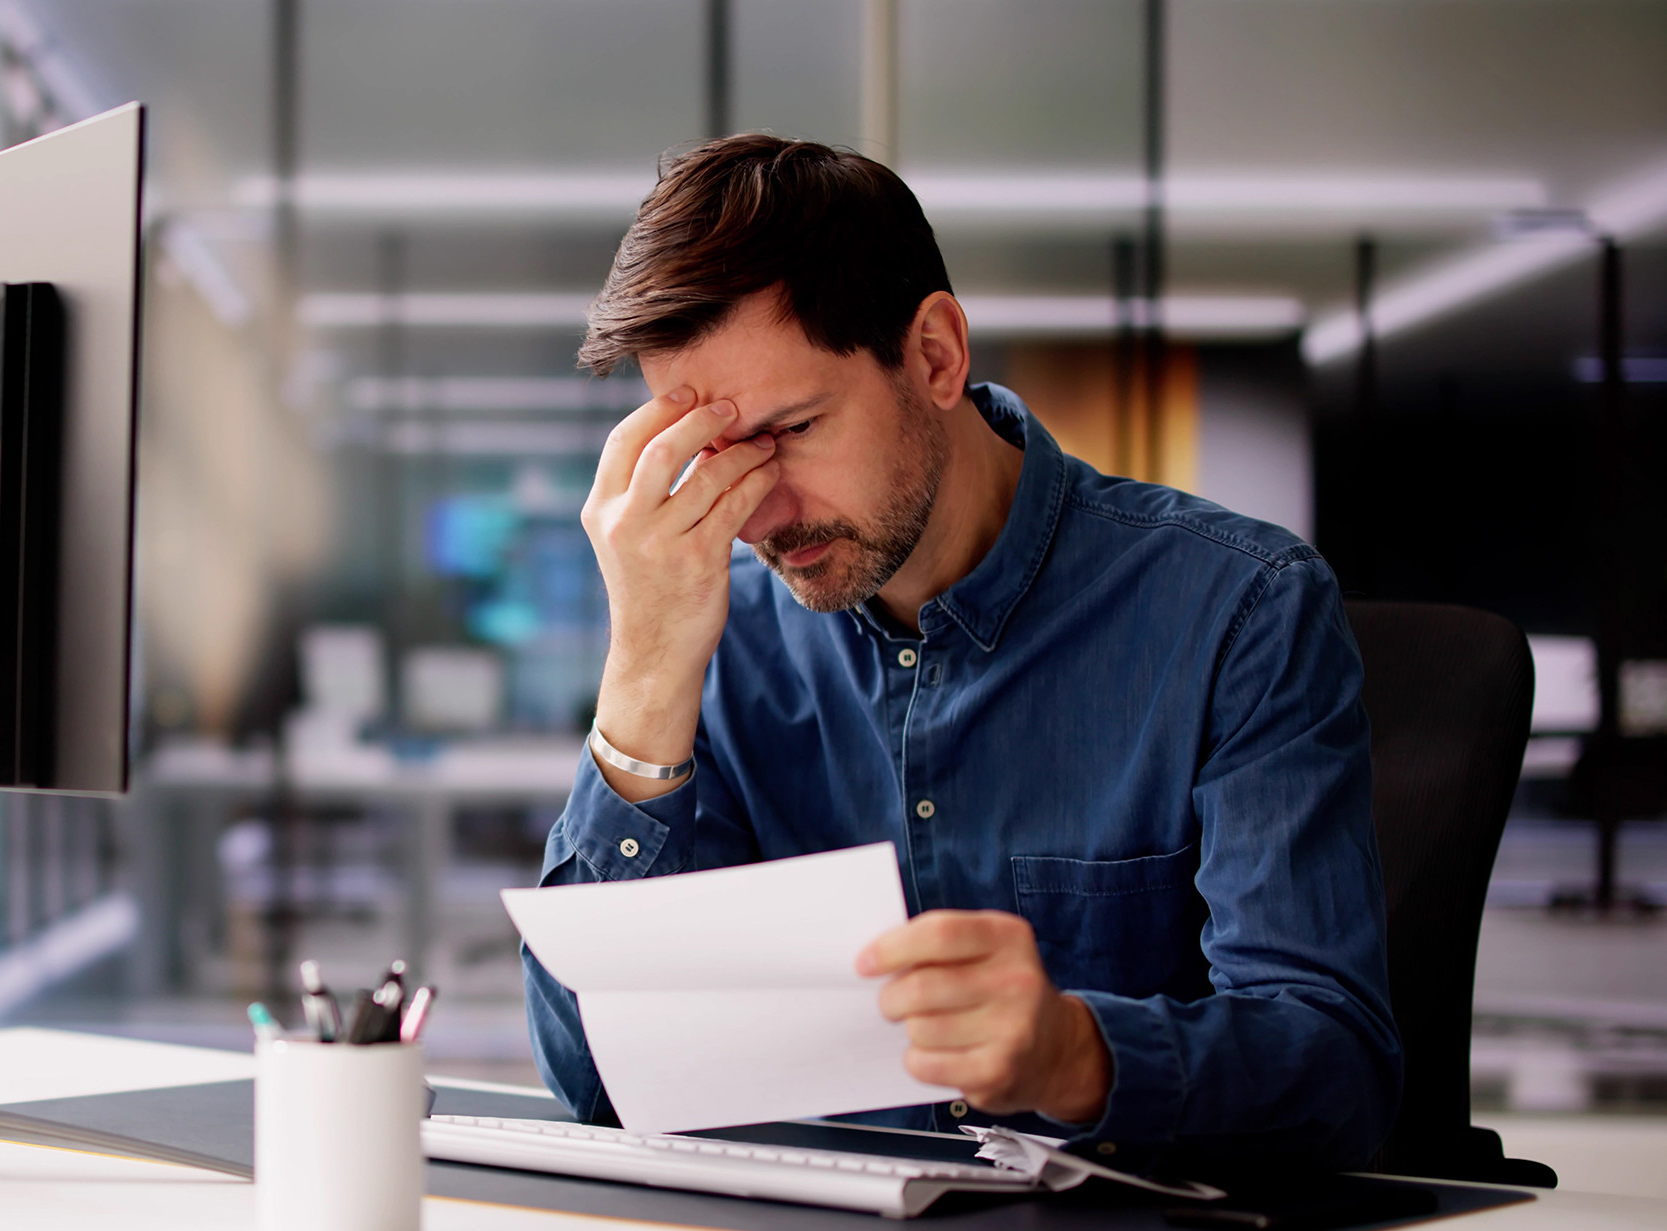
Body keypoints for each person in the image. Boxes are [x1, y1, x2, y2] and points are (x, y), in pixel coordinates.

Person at [524, 135, 1400, 1171]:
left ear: (933, 356)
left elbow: (1338, 1071)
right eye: (711, 460)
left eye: (792, 428)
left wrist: (1078, 1054)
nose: (755, 509)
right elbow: (592, 1079)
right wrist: (643, 669)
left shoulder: (1236, 610)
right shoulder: (711, 631)